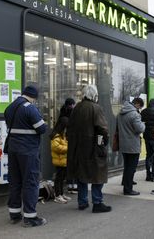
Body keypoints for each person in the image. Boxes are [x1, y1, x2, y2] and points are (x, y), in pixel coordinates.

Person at [4, 85, 47, 227]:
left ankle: (14, 214)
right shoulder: (30, 108)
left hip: (13, 150)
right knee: (30, 181)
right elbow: (42, 128)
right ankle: (30, 217)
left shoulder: (10, 107)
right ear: (34, 97)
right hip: (28, 151)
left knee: (15, 181)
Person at [67, 85, 111, 213]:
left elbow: (70, 129)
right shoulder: (95, 108)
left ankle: (82, 201)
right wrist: (100, 144)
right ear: (94, 95)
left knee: (82, 175)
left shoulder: (77, 108)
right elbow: (102, 130)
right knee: (98, 174)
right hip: (93, 147)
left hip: (79, 148)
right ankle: (97, 202)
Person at [117, 97, 145, 196]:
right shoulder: (134, 114)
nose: (139, 109)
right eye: (140, 107)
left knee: (127, 166)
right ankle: (128, 189)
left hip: (123, 144)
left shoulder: (121, 113)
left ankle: (125, 183)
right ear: (137, 104)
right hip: (133, 145)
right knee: (131, 168)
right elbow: (140, 129)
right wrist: (143, 124)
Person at [58, 98, 78, 194]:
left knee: (69, 166)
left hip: (66, 142)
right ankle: (73, 186)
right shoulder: (70, 116)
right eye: (73, 104)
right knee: (72, 165)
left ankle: (71, 186)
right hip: (69, 143)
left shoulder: (63, 113)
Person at [50, 116, 71, 204]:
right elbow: (56, 147)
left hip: (63, 160)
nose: (67, 129)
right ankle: (57, 195)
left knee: (62, 178)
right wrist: (68, 147)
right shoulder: (56, 135)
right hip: (59, 161)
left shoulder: (62, 135)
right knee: (59, 178)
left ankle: (61, 194)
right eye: (66, 127)